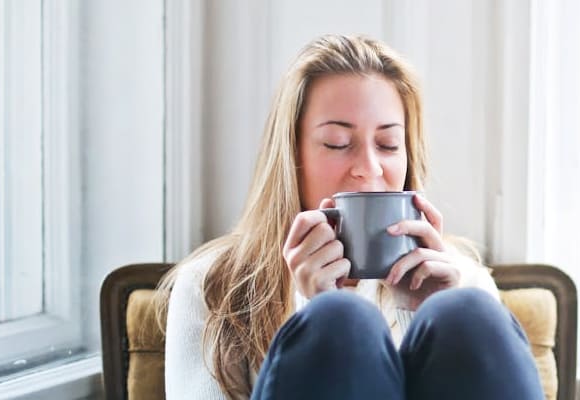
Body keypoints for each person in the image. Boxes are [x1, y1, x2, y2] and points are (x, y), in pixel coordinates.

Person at [157, 34, 544, 400]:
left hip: (457, 310)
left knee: (467, 310)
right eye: (338, 144)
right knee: (341, 319)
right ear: (293, 157)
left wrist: (420, 313)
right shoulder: (211, 285)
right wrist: (313, 309)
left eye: (389, 144)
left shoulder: (463, 280)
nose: (369, 168)